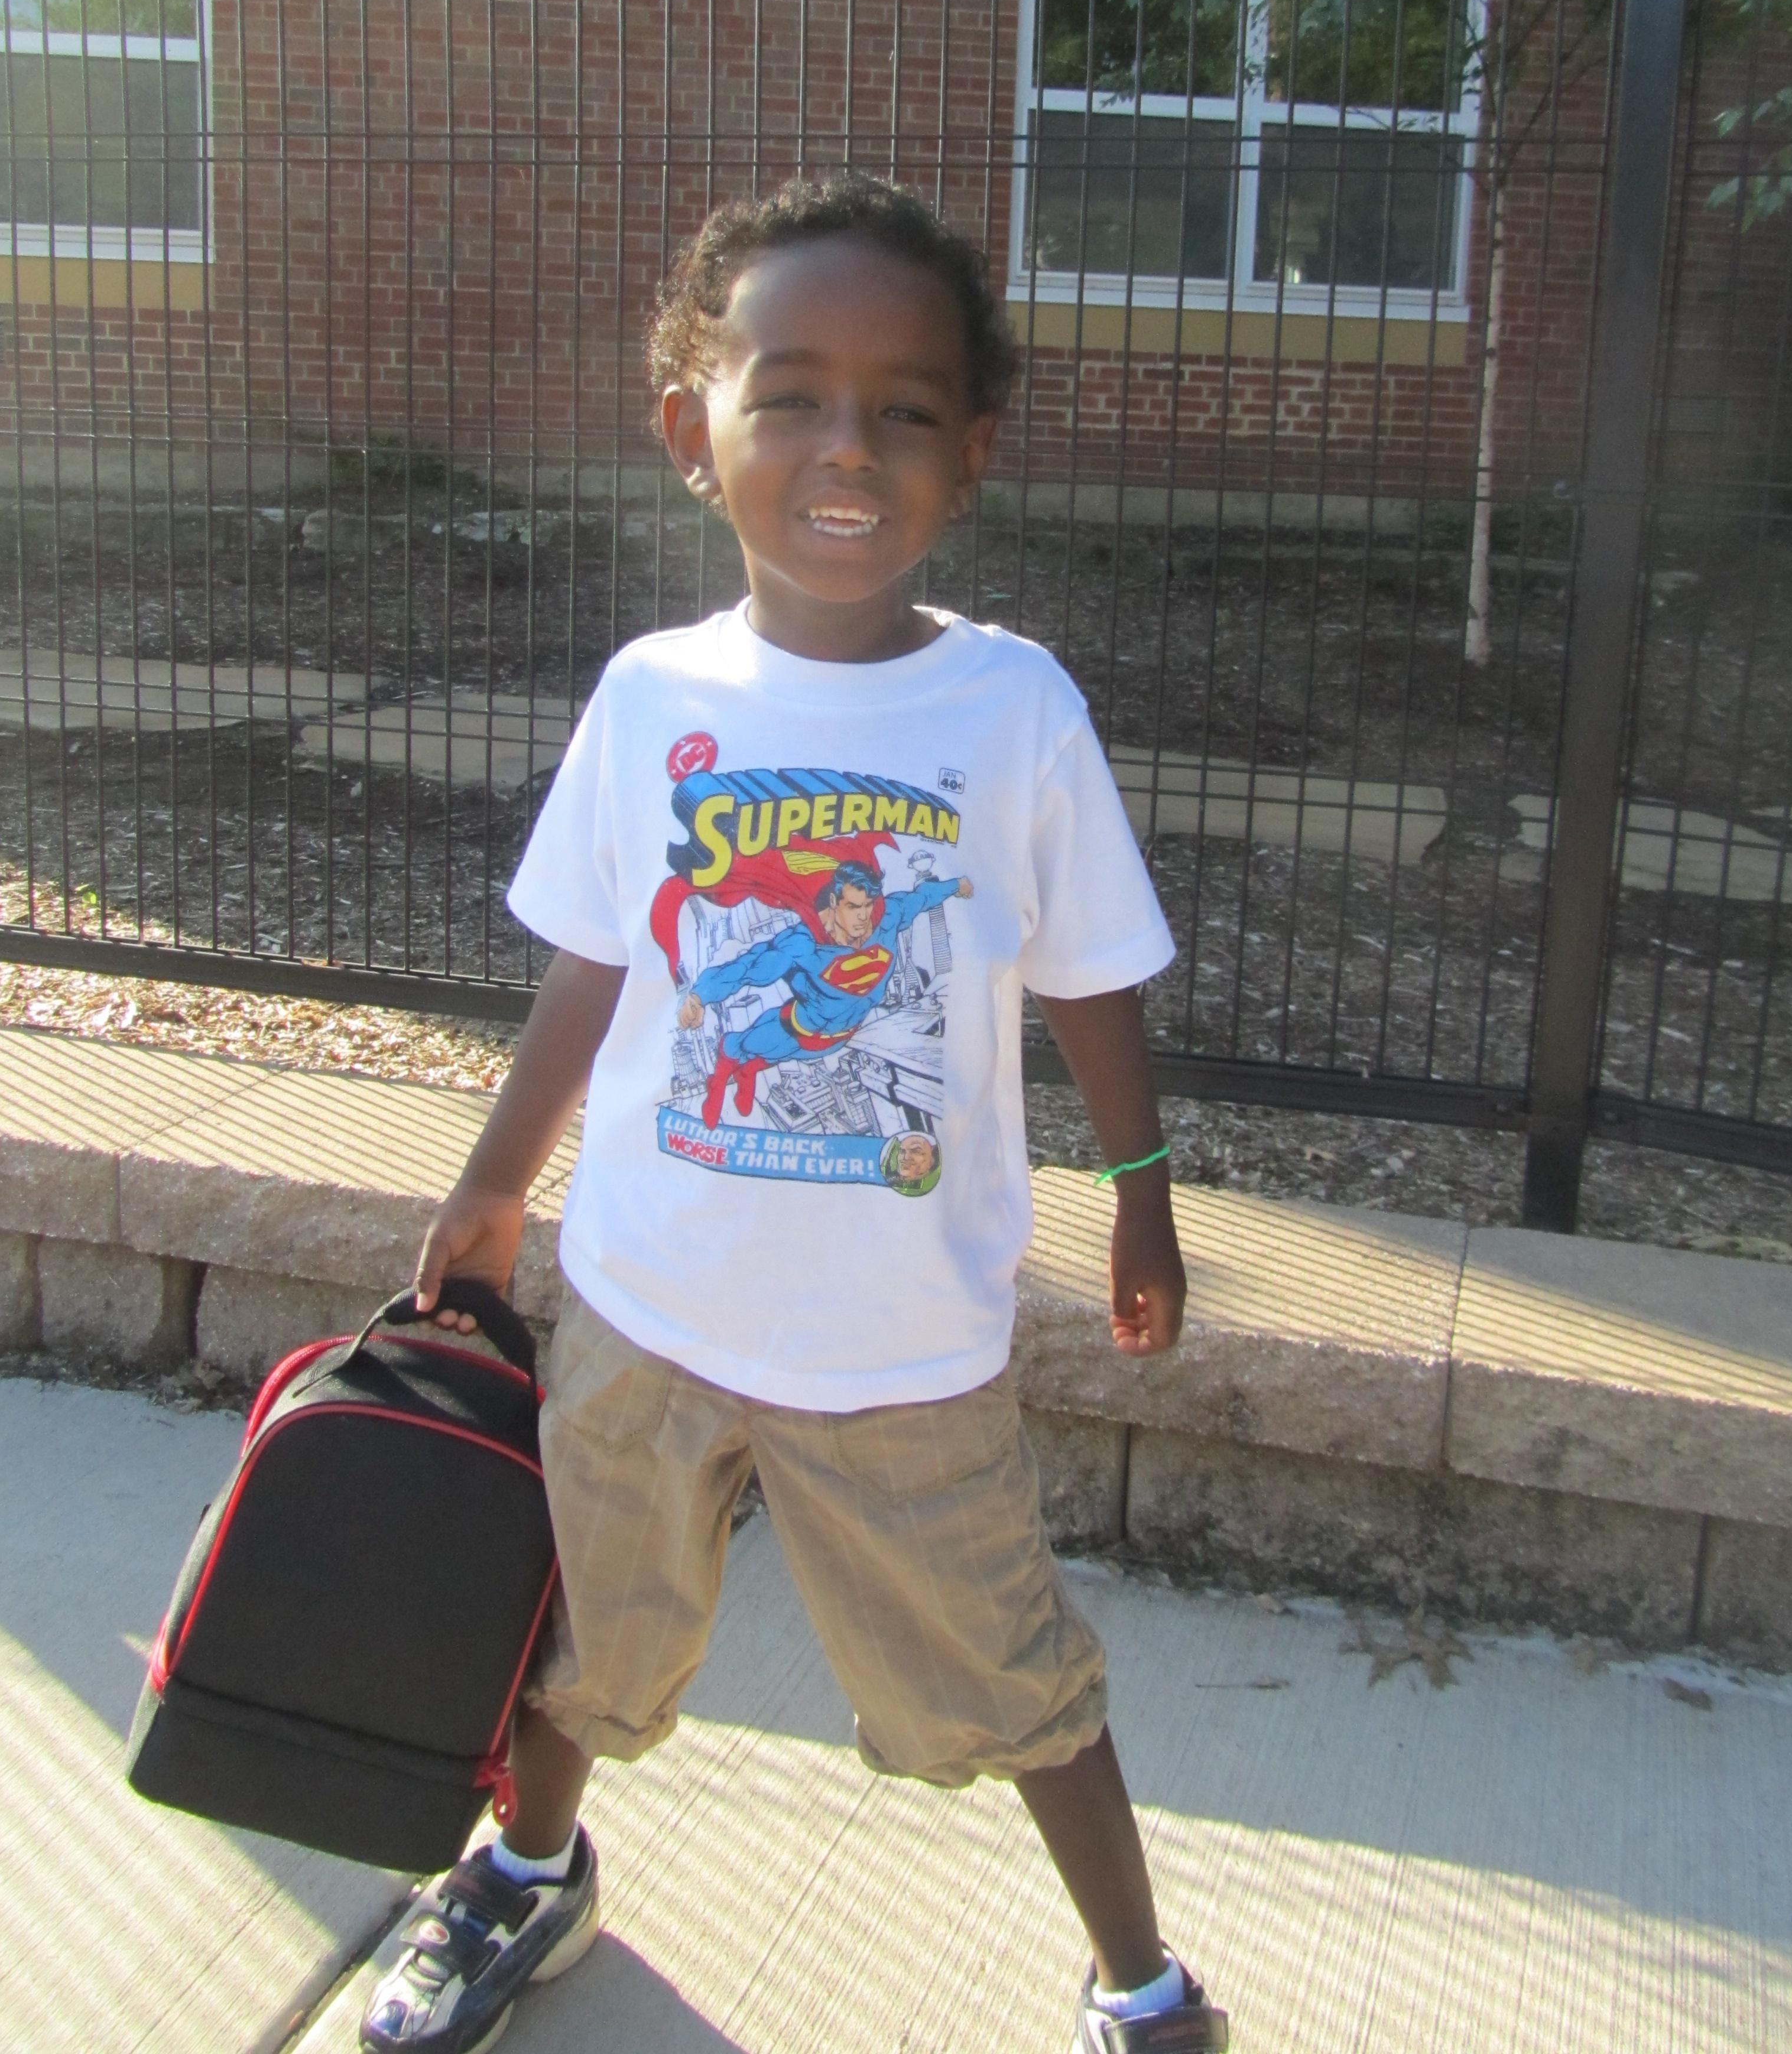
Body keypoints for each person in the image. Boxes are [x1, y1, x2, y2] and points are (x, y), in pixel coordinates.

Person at [361, 174, 1227, 2054]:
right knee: (585, 1641)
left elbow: (1089, 970)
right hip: (647, 1308)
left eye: (906, 409)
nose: (850, 448)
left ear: (971, 452)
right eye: (795, 397)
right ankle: (526, 1875)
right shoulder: (652, 696)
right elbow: (598, 960)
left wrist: (1143, 1191)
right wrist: (495, 1182)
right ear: (695, 431)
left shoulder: (1013, 712)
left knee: (1012, 1671)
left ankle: (1144, 1987)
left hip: (900, 1347)